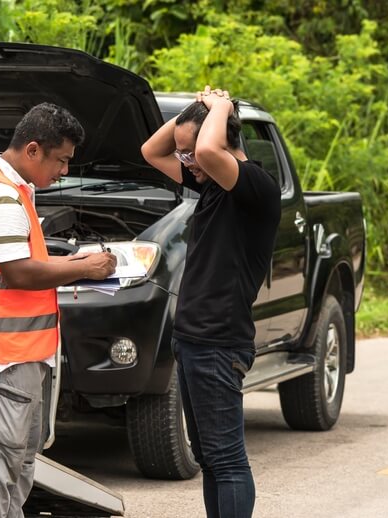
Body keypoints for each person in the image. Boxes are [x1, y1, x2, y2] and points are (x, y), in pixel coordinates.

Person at [0, 102, 117, 518]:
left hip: (22, 351)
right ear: (33, 150)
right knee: (0, 463)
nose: (63, 171)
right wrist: (83, 266)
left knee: (18, 462)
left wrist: (81, 266)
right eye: (61, 160)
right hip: (5, 353)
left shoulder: (15, 192)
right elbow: (19, 273)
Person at [140, 86, 281, 518]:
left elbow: (205, 148)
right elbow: (151, 150)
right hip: (195, 341)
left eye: (192, 154)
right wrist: (197, 111)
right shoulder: (214, 187)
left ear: (220, 143)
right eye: (184, 155)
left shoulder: (255, 186)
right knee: (209, 460)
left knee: (227, 460)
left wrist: (220, 106)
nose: (186, 162)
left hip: (219, 343)